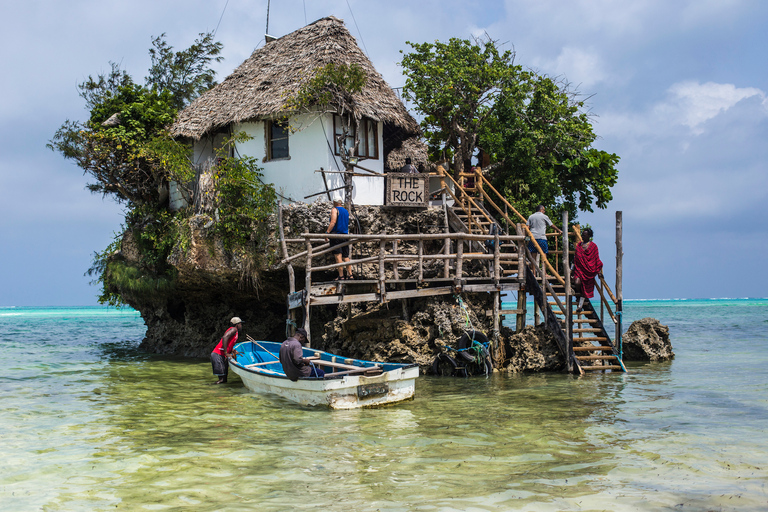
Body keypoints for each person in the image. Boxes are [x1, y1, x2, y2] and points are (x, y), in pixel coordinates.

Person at [572, 228, 603, 312]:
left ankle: (580, 305)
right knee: (577, 282)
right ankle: (579, 298)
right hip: (579, 270)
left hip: (589, 271)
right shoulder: (579, 245)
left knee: (584, 289)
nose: (582, 236)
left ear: (589, 236)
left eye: (584, 235)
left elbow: (596, 259)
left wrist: (598, 272)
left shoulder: (593, 246)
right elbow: (576, 258)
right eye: (582, 235)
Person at [210, 317, 244, 384]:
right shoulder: (234, 329)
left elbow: (229, 342)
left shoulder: (235, 331)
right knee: (221, 380)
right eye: (240, 324)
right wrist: (226, 353)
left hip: (222, 355)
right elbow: (225, 337)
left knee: (224, 380)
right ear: (237, 324)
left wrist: (232, 350)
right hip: (218, 354)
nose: (241, 326)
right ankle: (209, 387)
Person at [326, 199, 353, 280]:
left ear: (335, 202)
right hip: (345, 235)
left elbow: (333, 222)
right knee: (346, 256)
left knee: (338, 256)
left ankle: (341, 276)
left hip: (336, 235)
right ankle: (350, 275)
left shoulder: (335, 210)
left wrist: (327, 232)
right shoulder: (345, 211)